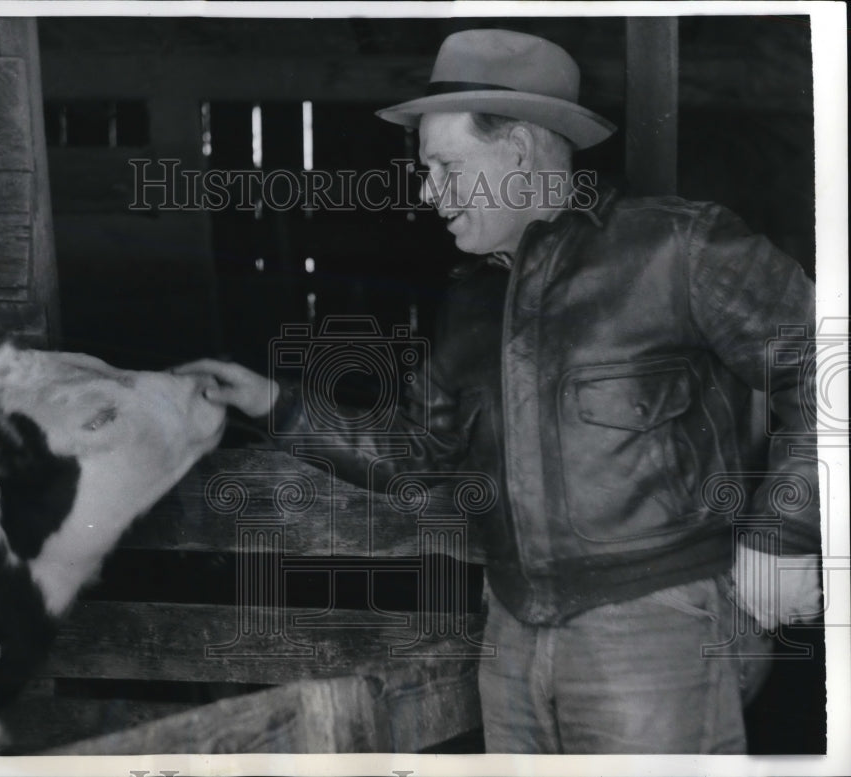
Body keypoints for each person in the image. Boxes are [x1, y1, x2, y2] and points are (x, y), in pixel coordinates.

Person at [178, 29, 822, 753]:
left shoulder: (674, 248)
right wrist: (278, 405)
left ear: (518, 152)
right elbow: (420, 453)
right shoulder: (475, 303)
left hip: (653, 629)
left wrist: (786, 528)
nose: (428, 191)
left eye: (446, 165)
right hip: (511, 636)